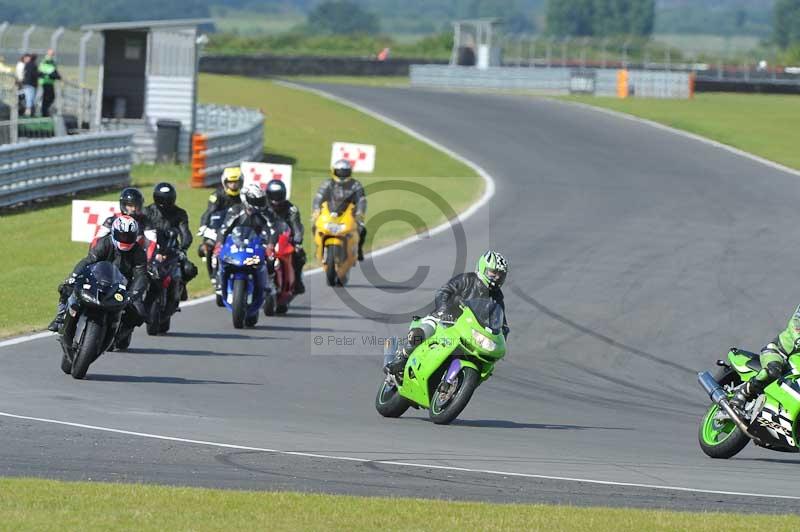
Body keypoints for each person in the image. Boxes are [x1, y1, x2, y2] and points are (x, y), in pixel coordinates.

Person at [385, 251, 510, 377]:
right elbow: (444, 291)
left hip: (468, 331)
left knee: (485, 365)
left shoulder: (497, 297)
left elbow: (501, 323)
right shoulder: (467, 279)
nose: (497, 278)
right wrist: (443, 309)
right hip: (446, 319)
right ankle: (402, 357)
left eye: (501, 275)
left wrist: (500, 340)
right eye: (493, 272)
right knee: (421, 332)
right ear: (483, 268)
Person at [48, 216, 147, 333]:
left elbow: (141, 275)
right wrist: (73, 276)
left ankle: (122, 332)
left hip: (123, 286)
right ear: (114, 233)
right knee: (66, 287)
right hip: (99, 279)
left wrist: (133, 293)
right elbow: (88, 260)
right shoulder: (105, 243)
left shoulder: (139, 252)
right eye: (122, 235)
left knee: (139, 314)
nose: (125, 240)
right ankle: (60, 317)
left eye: (129, 237)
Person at [214, 184, 278, 307]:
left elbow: (273, 230)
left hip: (258, 244)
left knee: (272, 260)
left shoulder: (266, 213)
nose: (260, 203)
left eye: (261, 200)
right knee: (216, 256)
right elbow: (223, 229)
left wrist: (270, 245)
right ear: (246, 199)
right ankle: (219, 281)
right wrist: (219, 244)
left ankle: (270, 282)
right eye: (256, 200)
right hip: (236, 243)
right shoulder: (235, 211)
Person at [730, 306, 800, 411]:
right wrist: (798, 337)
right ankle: (742, 393)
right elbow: (795, 322)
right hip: (777, 352)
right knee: (773, 370)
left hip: (796, 364)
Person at [144, 182, 197, 300]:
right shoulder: (147, 211)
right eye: (162, 199)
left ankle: (181, 285)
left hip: (171, 249)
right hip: (150, 249)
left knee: (189, 269)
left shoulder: (180, 213)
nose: (165, 203)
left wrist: (183, 248)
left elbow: (185, 233)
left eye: (168, 199)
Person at [312, 159, 367, 261]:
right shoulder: (327, 184)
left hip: (350, 213)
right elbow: (318, 198)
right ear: (334, 171)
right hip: (330, 212)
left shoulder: (356, 185)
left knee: (362, 229)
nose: (342, 175)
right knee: (315, 226)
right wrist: (316, 210)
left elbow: (361, 200)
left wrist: (360, 213)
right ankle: (318, 247)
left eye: (345, 172)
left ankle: (359, 249)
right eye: (340, 172)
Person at [265, 179, 306, 294]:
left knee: (299, 254)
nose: (276, 198)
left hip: (286, 239)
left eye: (279, 195)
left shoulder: (291, 209)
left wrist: (297, 239)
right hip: (266, 239)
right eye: (274, 195)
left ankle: (297, 280)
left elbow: (297, 226)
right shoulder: (264, 208)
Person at [91, 187, 155, 257]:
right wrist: (93, 257)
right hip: (113, 257)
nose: (133, 209)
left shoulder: (146, 221)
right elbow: (97, 240)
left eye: (136, 205)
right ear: (123, 205)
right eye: (130, 205)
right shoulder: (111, 221)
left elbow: (152, 242)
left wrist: (148, 261)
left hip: (136, 258)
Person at [197, 166, 243, 258]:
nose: (233, 185)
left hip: (238, 229)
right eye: (230, 182)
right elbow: (209, 212)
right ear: (225, 182)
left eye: (236, 182)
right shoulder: (217, 195)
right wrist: (203, 226)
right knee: (205, 248)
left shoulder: (244, 196)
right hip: (219, 228)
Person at [38, 49, 61, 117]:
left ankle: (45, 111)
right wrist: (54, 74)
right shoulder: (46, 60)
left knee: (50, 97)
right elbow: (47, 70)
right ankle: (44, 112)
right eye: (51, 53)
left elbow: (53, 71)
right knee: (47, 98)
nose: (52, 55)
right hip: (45, 82)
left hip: (50, 82)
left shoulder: (51, 61)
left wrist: (56, 75)